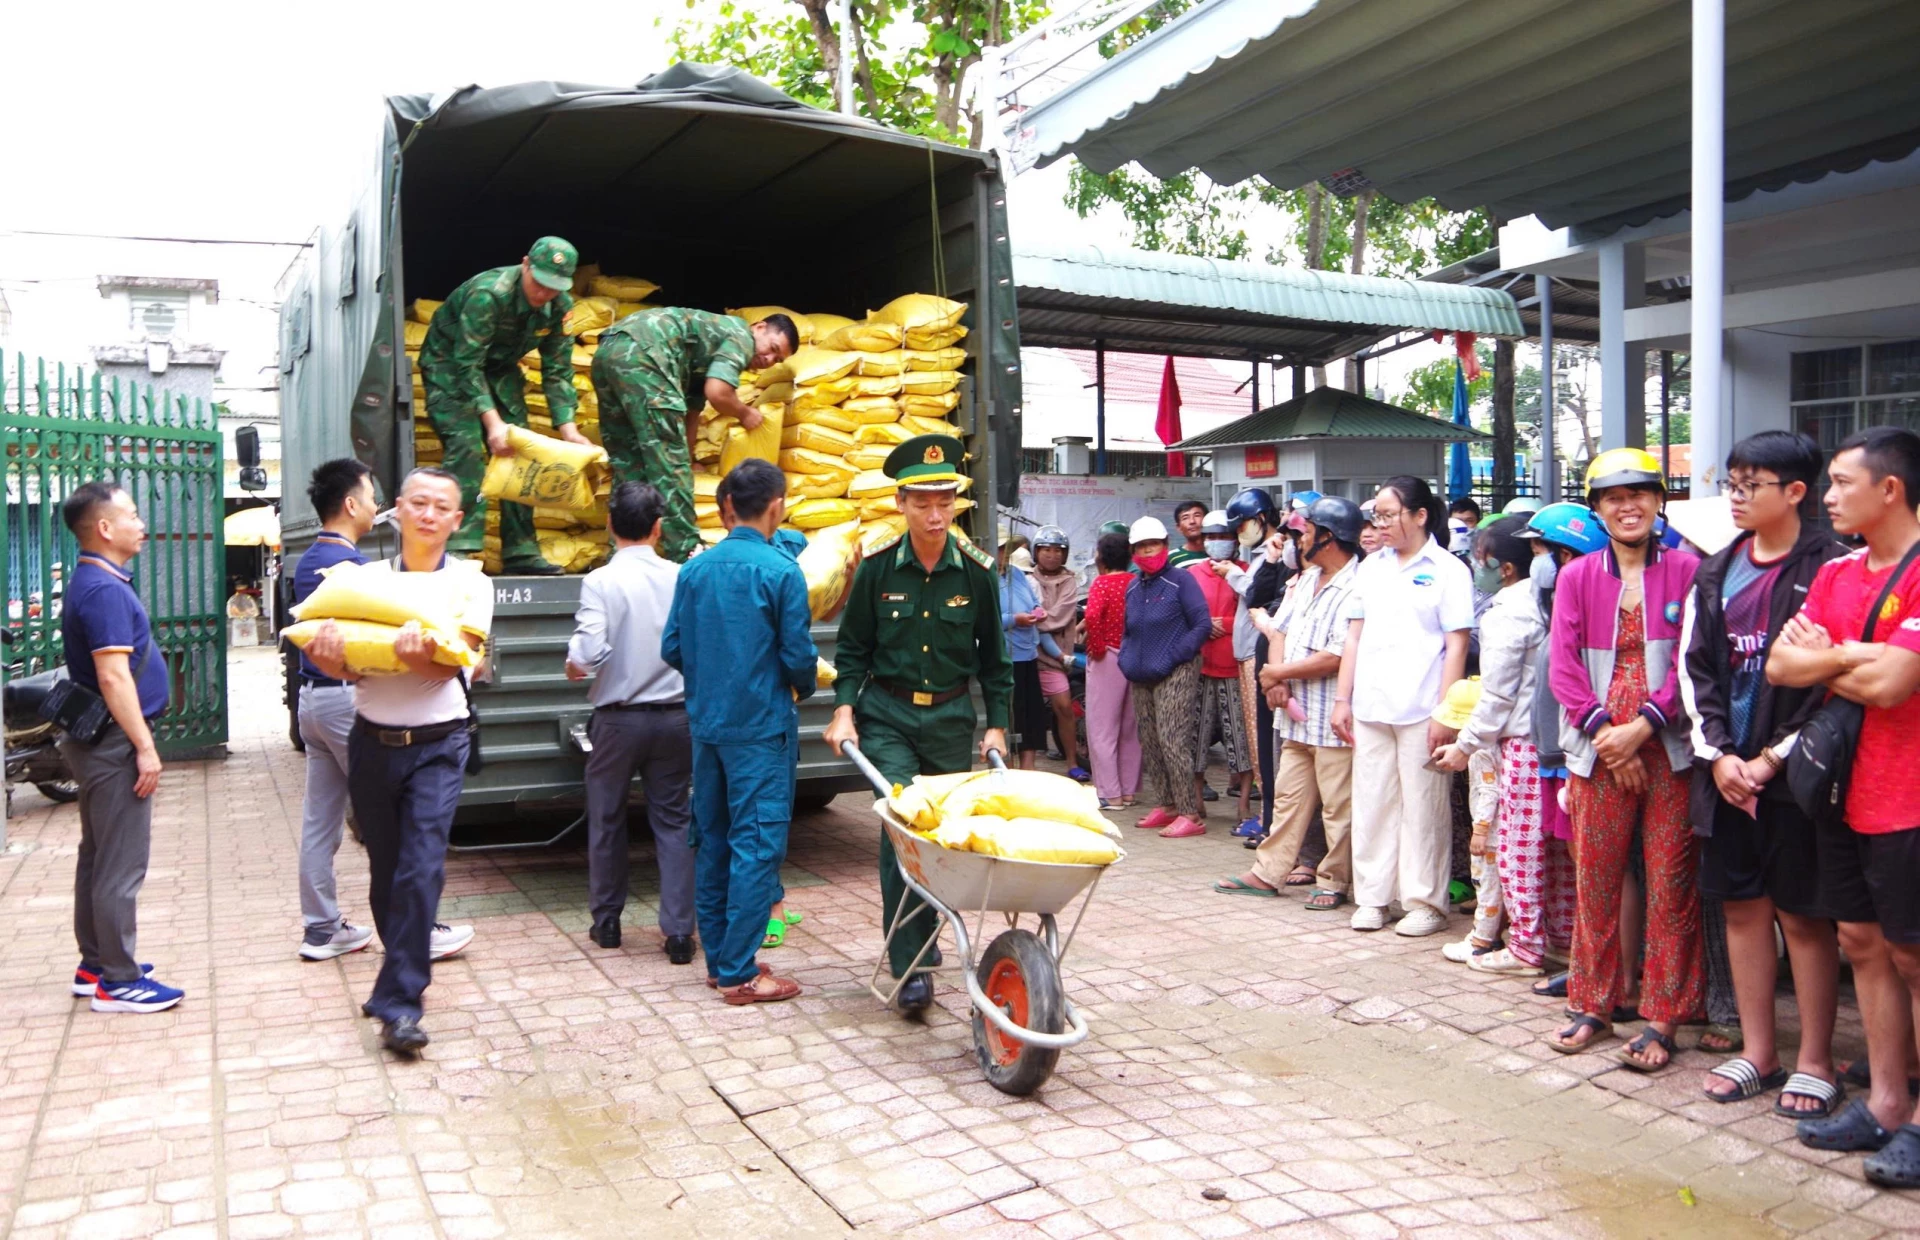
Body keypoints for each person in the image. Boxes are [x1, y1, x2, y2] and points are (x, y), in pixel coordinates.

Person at [1766, 427, 1920, 1183]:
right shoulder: (1838, 572)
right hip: (1843, 792)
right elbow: (1780, 665)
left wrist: (1828, 659)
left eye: (1840, 482)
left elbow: (1895, 687)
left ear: (1889, 489)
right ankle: (1885, 1104)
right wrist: (1858, 655)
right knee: (1863, 944)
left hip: (1911, 797)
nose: (1828, 497)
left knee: (1916, 957)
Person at [1678, 431, 1849, 1111]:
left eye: (1753, 485)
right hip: (1724, 773)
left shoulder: (1832, 568)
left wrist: (1773, 758)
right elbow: (1696, 672)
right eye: (1734, 484)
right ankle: (1759, 1052)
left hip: (1797, 774)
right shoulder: (1716, 571)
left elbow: (1830, 686)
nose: (1738, 498)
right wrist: (1720, 755)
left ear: (1796, 493)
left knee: (1805, 918)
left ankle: (1815, 1060)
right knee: (1743, 910)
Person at [303, 467, 491, 1054]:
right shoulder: (361, 580)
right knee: (386, 875)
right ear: (397, 511)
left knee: (420, 869)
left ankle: (401, 1003)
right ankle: (393, 982)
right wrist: (332, 659)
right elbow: (347, 668)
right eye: (418, 503)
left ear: (456, 521)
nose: (429, 514)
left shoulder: (469, 584)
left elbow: (457, 667)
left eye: (442, 507)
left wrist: (420, 658)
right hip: (371, 742)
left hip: (439, 745)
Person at [825, 435, 1011, 1014]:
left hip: (952, 718)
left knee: (943, 838)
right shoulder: (878, 566)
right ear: (901, 503)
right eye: (923, 503)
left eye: (945, 502)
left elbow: (996, 660)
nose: (935, 515)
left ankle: (930, 940)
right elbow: (853, 650)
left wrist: (998, 727)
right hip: (888, 718)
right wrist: (844, 707)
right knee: (902, 832)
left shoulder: (977, 573)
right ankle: (912, 965)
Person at [1546, 448, 1702, 1071]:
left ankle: (1663, 1015)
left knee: (1671, 884)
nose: (1628, 505)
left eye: (1639, 493)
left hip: (1669, 744)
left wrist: (1643, 728)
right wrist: (1607, 734)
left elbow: (1695, 663)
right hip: (1599, 744)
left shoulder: (1690, 571)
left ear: (1660, 500)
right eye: (1613, 497)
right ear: (1598, 509)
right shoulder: (1577, 576)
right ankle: (1594, 1002)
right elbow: (1563, 667)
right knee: (1598, 879)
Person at [663, 458, 817, 1004]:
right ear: (776, 505)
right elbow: (798, 654)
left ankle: (721, 960)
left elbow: (672, 648)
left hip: (707, 728)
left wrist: (714, 679)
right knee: (756, 844)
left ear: (729, 506)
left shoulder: (695, 570)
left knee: (714, 840)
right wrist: (803, 685)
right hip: (761, 730)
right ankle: (740, 974)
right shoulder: (781, 572)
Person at [57, 482, 182, 1013]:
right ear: (104, 528)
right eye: (131, 514)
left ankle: (96, 963)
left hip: (99, 743)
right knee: (120, 865)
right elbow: (113, 678)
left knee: (98, 856)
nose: (140, 523)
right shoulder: (105, 590)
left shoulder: (96, 580)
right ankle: (118, 980)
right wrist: (145, 747)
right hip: (113, 744)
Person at [1334, 476, 1474, 937]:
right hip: (1371, 704)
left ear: (1419, 516)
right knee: (1372, 802)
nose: (1382, 523)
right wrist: (1342, 698)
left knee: (1423, 808)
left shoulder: (1449, 569)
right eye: (1377, 515)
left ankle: (1424, 902)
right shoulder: (1370, 567)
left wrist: (1445, 713)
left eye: (1390, 514)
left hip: (1421, 706)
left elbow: (1456, 645)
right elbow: (1354, 635)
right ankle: (1373, 897)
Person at [566, 481, 696, 962]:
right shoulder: (683, 576)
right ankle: (680, 934)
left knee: (606, 819)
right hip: (675, 718)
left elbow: (588, 653)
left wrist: (575, 664)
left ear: (608, 525)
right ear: (659, 529)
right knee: (675, 820)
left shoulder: (600, 581)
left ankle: (608, 924)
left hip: (618, 722)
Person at [1214, 496, 1364, 909]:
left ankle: (1334, 881)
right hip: (1296, 717)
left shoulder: (1356, 585)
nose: (1297, 541)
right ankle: (1268, 872)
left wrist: (1276, 674)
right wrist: (1274, 683)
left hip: (1332, 717)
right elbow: (1278, 630)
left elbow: (1337, 656)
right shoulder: (1306, 580)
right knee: (1288, 797)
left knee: (1337, 805)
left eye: (1305, 533)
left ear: (1328, 538)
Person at [416, 238, 587, 575]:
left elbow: (558, 371)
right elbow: (468, 364)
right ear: (525, 264)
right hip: (449, 365)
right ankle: (460, 548)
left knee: (521, 450)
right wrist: (492, 424)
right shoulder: (489, 294)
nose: (543, 294)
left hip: (500, 369)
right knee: (467, 447)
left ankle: (521, 550)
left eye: (553, 287)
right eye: (538, 283)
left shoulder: (559, 306)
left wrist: (569, 430)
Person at [1432, 518, 1553, 972]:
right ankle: (1538, 937)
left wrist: (1465, 744)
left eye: (1481, 558)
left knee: (1509, 849)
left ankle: (1521, 944)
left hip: (1515, 744)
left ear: (1503, 568)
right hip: (1535, 739)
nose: (1474, 566)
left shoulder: (1508, 611)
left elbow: (1498, 695)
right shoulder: (1540, 602)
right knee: (1534, 851)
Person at [591, 308, 799, 562]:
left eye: (777, 360)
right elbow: (718, 391)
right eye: (773, 348)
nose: (769, 359)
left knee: (628, 462)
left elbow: (691, 414)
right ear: (759, 328)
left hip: (609, 349)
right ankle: (687, 551)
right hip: (647, 352)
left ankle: (622, 551)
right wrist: (744, 413)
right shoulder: (740, 335)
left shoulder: (706, 352)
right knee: (669, 466)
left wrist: (688, 459)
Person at [293, 459, 379, 962]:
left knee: (319, 821)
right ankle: (416, 927)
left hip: (313, 701)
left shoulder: (310, 561)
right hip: (345, 702)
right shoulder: (349, 568)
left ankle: (322, 928)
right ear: (350, 505)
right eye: (370, 495)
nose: (375, 504)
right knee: (389, 815)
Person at [1121, 516, 1214, 838]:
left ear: (1165, 545)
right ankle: (1167, 804)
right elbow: (1129, 629)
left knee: (1173, 740)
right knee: (1150, 740)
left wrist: (1175, 657)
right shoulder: (1134, 585)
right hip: (1140, 674)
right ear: (1133, 551)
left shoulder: (1181, 580)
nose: (1148, 552)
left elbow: (1202, 625)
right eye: (1142, 547)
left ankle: (1190, 812)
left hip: (1177, 670)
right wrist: (1126, 658)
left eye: (1154, 545)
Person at [1222, 488, 1292, 843]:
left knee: (1265, 742)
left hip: (1261, 657)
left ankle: (1270, 816)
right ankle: (1269, 815)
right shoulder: (1263, 553)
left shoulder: (1279, 554)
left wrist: (1233, 574)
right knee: (1256, 740)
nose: (1239, 534)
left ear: (1262, 518)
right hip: (1248, 654)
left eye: (1243, 525)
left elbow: (1256, 596)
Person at [1189, 511, 1256, 832]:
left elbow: (1256, 610)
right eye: (1211, 537)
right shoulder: (1192, 574)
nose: (1217, 543)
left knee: (1239, 737)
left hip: (1234, 668)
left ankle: (1243, 801)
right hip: (1201, 666)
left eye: (1224, 537)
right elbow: (1187, 616)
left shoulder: (1246, 573)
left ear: (1236, 540)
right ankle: (1197, 794)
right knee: (1197, 735)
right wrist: (1205, 627)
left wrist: (1223, 625)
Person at [1082, 531, 1141, 809]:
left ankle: (1110, 794)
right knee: (1130, 728)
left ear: (1101, 557)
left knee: (1102, 729)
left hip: (1107, 657)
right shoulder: (1136, 582)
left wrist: (1096, 648)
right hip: (1135, 657)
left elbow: (1092, 615)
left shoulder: (1102, 584)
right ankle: (1128, 791)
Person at [1030, 526, 1087, 777]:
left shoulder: (1069, 581)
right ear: (1036, 552)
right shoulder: (1026, 578)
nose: (1051, 555)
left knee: (1064, 707)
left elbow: (1061, 615)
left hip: (1054, 660)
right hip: (1027, 655)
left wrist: (1033, 621)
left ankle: (1072, 763)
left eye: (1057, 551)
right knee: (1020, 712)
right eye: (1045, 550)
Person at [1000, 526, 1052, 770]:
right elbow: (983, 619)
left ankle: (1028, 771)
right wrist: (1014, 619)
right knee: (1010, 719)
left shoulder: (1016, 574)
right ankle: (1007, 773)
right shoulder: (984, 577)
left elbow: (1032, 602)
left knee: (1031, 718)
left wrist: (1036, 613)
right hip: (1005, 659)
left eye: (1004, 549)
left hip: (1028, 655)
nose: (1002, 553)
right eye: (998, 549)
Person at [1169, 500, 1208, 568]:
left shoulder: (1219, 554)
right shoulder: (1171, 558)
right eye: (1185, 518)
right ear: (1179, 527)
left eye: (1197, 515)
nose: (1192, 521)